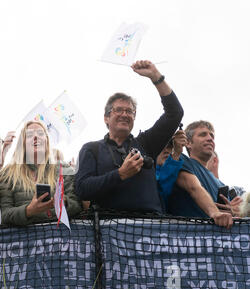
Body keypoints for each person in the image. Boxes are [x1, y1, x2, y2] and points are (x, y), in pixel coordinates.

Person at [75, 60, 183, 214]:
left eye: (130, 111)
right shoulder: (91, 149)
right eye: (118, 110)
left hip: (149, 228)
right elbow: (82, 189)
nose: (124, 114)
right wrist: (120, 174)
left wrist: (156, 77)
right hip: (107, 231)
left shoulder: (146, 143)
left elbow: (175, 113)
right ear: (106, 118)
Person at [0, 121, 82, 226]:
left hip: (61, 236)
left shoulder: (63, 168)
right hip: (25, 239)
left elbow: (78, 204)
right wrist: (28, 211)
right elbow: (4, 215)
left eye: (41, 133)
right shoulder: (7, 174)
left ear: (47, 140)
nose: (36, 137)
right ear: (22, 142)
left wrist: (63, 202)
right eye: (29, 135)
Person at [167, 121, 234, 228]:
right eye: (203, 134)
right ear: (188, 143)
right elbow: (194, 187)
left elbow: (228, 216)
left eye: (212, 135)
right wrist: (215, 213)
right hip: (185, 238)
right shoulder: (180, 160)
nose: (210, 138)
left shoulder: (221, 184)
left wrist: (233, 211)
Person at [155, 129, 187, 210]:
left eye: (169, 147)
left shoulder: (184, 169)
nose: (166, 150)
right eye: (162, 146)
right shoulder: (145, 172)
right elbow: (159, 193)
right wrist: (176, 155)